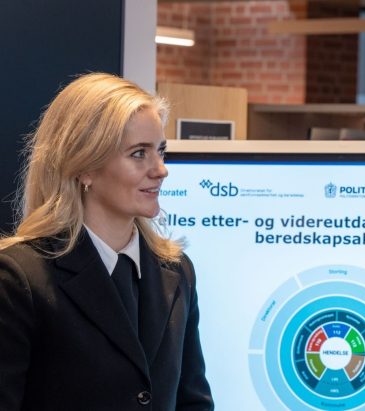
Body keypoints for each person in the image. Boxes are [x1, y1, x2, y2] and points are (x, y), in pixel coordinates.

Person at [0, 73, 214, 410]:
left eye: (160, 151)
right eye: (139, 153)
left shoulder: (176, 271)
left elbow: (193, 401)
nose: (161, 170)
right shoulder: (19, 278)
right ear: (84, 167)